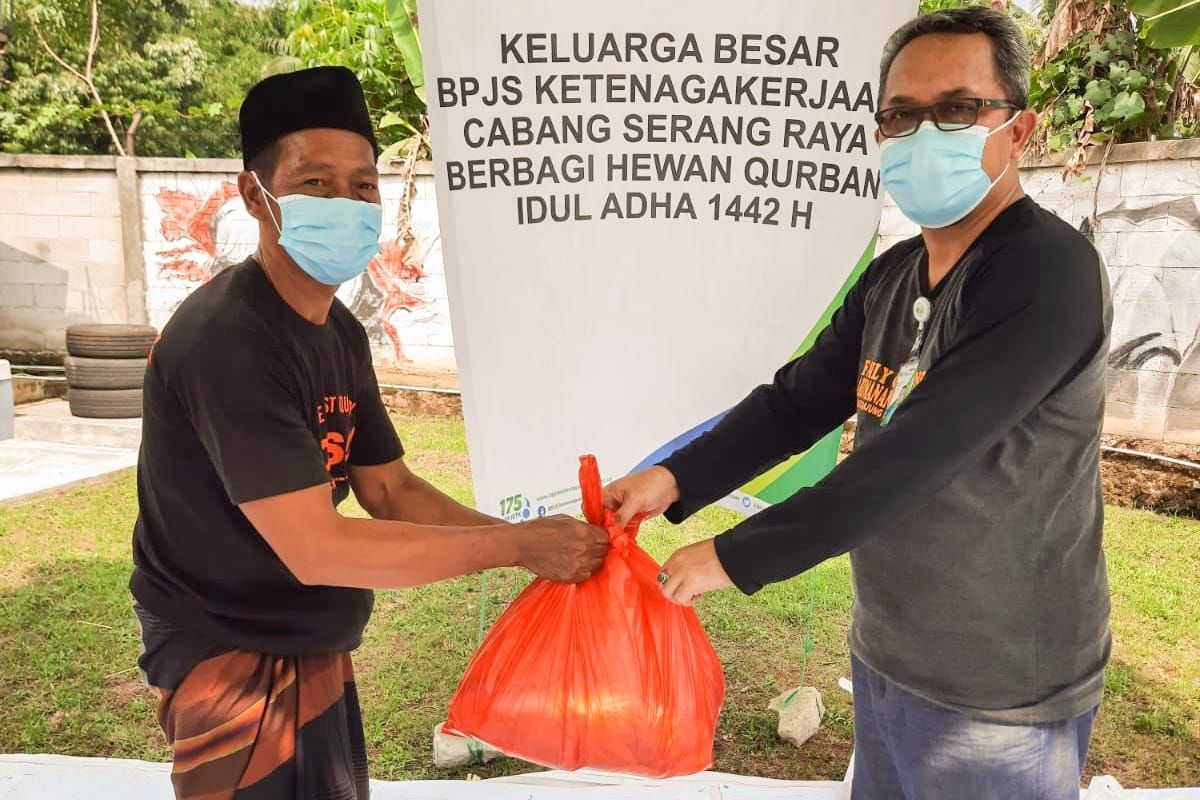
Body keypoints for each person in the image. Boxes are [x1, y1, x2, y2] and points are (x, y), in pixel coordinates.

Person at [604, 9, 1111, 800]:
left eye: (956, 108)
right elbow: (794, 403)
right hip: (890, 652)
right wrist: (671, 478)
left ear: (1018, 130)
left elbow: (910, 462)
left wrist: (733, 559)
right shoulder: (894, 274)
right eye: (900, 115)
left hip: (1001, 690)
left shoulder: (1047, 273)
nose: (921, 134)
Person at [129, 66, 609, 800]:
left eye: (362, 186)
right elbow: (317, 547)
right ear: (253, 194)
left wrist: (528, 548)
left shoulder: (338, 332)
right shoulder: (228, 341)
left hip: (307, 633)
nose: (346, 205)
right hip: (223, 643)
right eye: (315, 183)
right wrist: (515, 545)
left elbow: (389, 487)